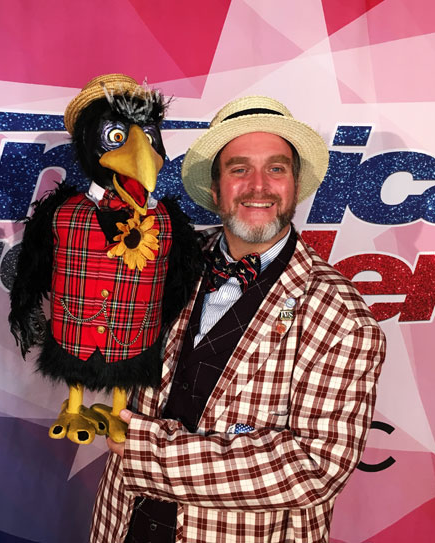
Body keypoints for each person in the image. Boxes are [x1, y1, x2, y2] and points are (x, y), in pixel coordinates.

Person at [89, 96, 386, 542]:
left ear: (295, 185)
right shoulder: (164, 260)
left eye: (276, 169)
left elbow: (314, 466)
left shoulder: (343, 316)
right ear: (216, 189)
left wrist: (151, 453)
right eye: (239, 169)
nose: (258, 186)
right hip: (122, 524)